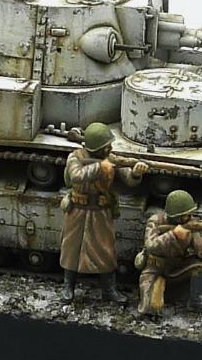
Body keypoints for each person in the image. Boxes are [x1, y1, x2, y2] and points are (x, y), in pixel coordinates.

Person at [60, 122, 149, 303]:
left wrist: (136, 173)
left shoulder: (110, 158)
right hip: (78, 209)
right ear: (95, 148)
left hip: (101, 211)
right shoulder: (75, 157)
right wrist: (100, 167)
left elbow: (128, 179)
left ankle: (109, 290)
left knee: (106, 251)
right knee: (71, 250)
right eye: (106, 146)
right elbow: (76, 175)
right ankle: (68, 288)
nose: (110, 148)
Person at [136, 189, 202, 317]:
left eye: (190, 214)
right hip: (155, 269)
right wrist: (174, 235)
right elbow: (150, 245)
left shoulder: (189, 225)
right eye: (185, 215)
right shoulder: (156, 221)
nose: (189, 218)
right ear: (175, 216)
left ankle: (196, 301)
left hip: (177, 267)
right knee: (151, 308)